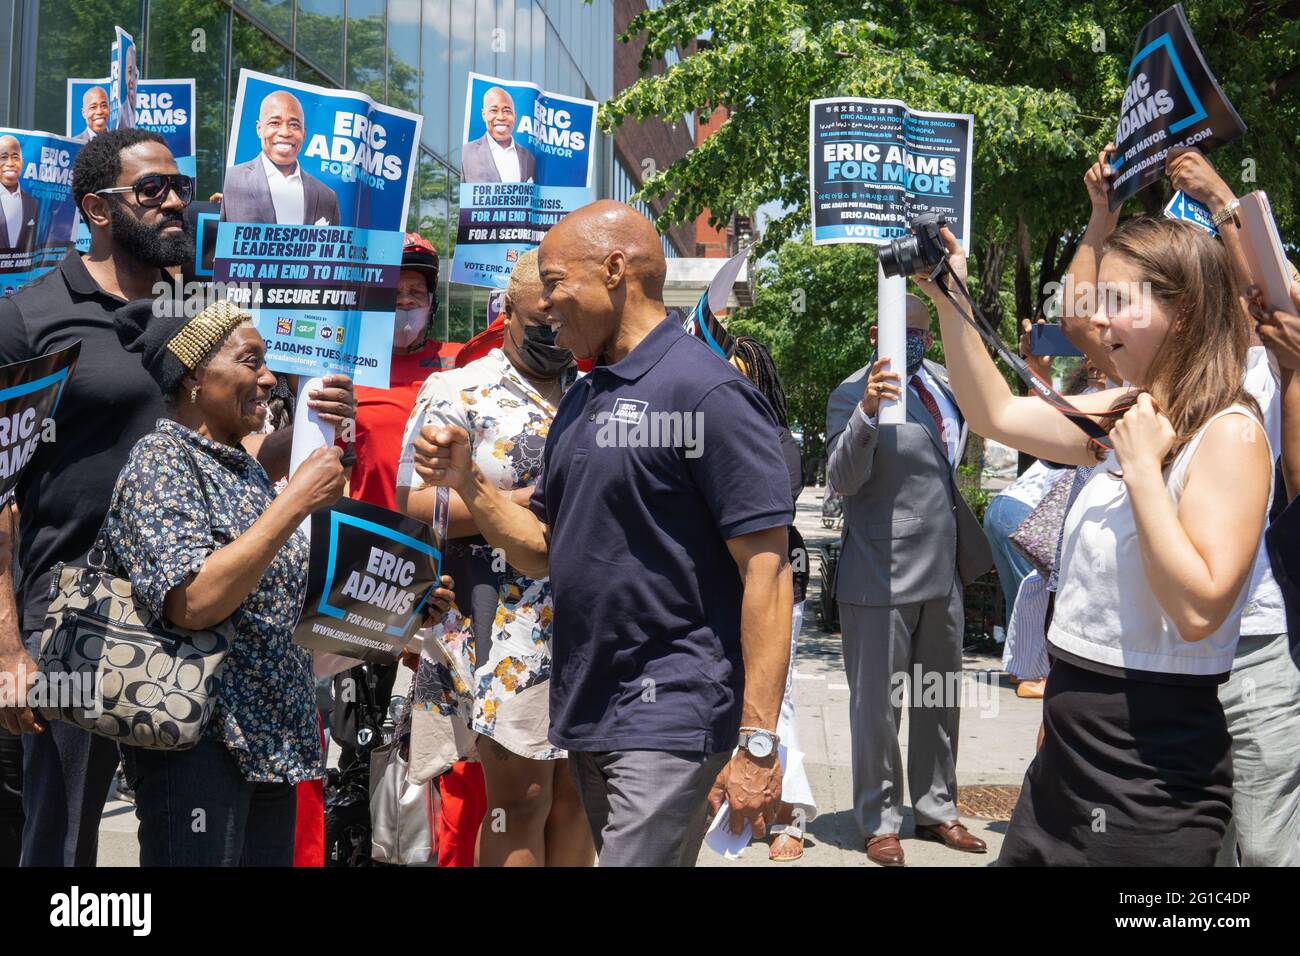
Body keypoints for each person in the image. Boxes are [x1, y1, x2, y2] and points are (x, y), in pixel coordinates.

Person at [0, 128, 356, 867]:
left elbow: (240, 452)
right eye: (151, 190)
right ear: (97, 208)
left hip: (206, 610)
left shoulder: (202, 306)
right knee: (59, 844)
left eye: (180, 188)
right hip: (78, 615)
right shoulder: (28, 317)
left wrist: (313, 430)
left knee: (195, 839)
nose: (173, 203)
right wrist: (8, 648)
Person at [413, 200, 793, 866]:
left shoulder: (707, 394)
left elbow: (768, 569)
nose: (545, 302)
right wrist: (468, 480)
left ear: (616, 269)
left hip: (669, 711)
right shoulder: (587, 397)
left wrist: (759, 744)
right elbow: (541, 550)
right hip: (588, 707)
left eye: (557, 281)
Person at [914, 211, 1271, 866]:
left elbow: (1198, 611)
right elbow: (994, 412)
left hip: (1149, 780)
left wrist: (1139, 471)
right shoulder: (1127, 408)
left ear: (1184, 311)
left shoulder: (1231, 434)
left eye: (1117, 302)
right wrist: (949, 295)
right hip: (1062, 767)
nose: (1096, 322)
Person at [395, 248, 591, 867]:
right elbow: (416, 501)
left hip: (591, 616)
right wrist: (515, 502)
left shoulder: (595, 392)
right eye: (543, 318)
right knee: (522, 797)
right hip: (504, 624)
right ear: (507, 312)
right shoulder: (459, 389)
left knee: (579, 798)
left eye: (564, 319)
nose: (555, 331)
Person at [825, 294, 993, 867]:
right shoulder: (852, 392)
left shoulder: (949, 386)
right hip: (879, 575)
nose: (914, 340)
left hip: (944, 571)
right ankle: (878, 820)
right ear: (879, 332)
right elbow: (841, 480)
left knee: (940, 700)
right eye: (905, 330)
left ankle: (937, 808)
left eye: (924, 331)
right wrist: (868, 413)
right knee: (878, 708)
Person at [729, 335, 817, 862]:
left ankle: (794, 815)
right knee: (746, 702)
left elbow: (765, 512)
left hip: (782, 584)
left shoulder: (776, 440)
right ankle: (749, 802)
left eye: (743, 374)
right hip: (731, 589)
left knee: (773, 701)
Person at [350, 233, 459, 510]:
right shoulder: (350, 367)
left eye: (416, 292)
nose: (406, 301)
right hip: (373, 537)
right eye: (394, 293)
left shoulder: (461, 360)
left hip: (442, 537)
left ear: (431, 301)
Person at [220, 90, 341, 227]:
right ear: (259, 129)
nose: (284, 132)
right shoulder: (231, 180)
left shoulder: (327, 197)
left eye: (294, 125)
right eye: (275, 123)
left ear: (304, 133)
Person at [460, 87, 537, 184]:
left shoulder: (528, 158)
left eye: (507, 111)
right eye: (494, 110)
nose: (501, 117)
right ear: (484, 115)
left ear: (515, 116)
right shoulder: (465, 153)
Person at [0, 135, 37, 255]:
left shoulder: (32, 203)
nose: (10, 163)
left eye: (15, 157)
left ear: (22, 162)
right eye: (3, 157)